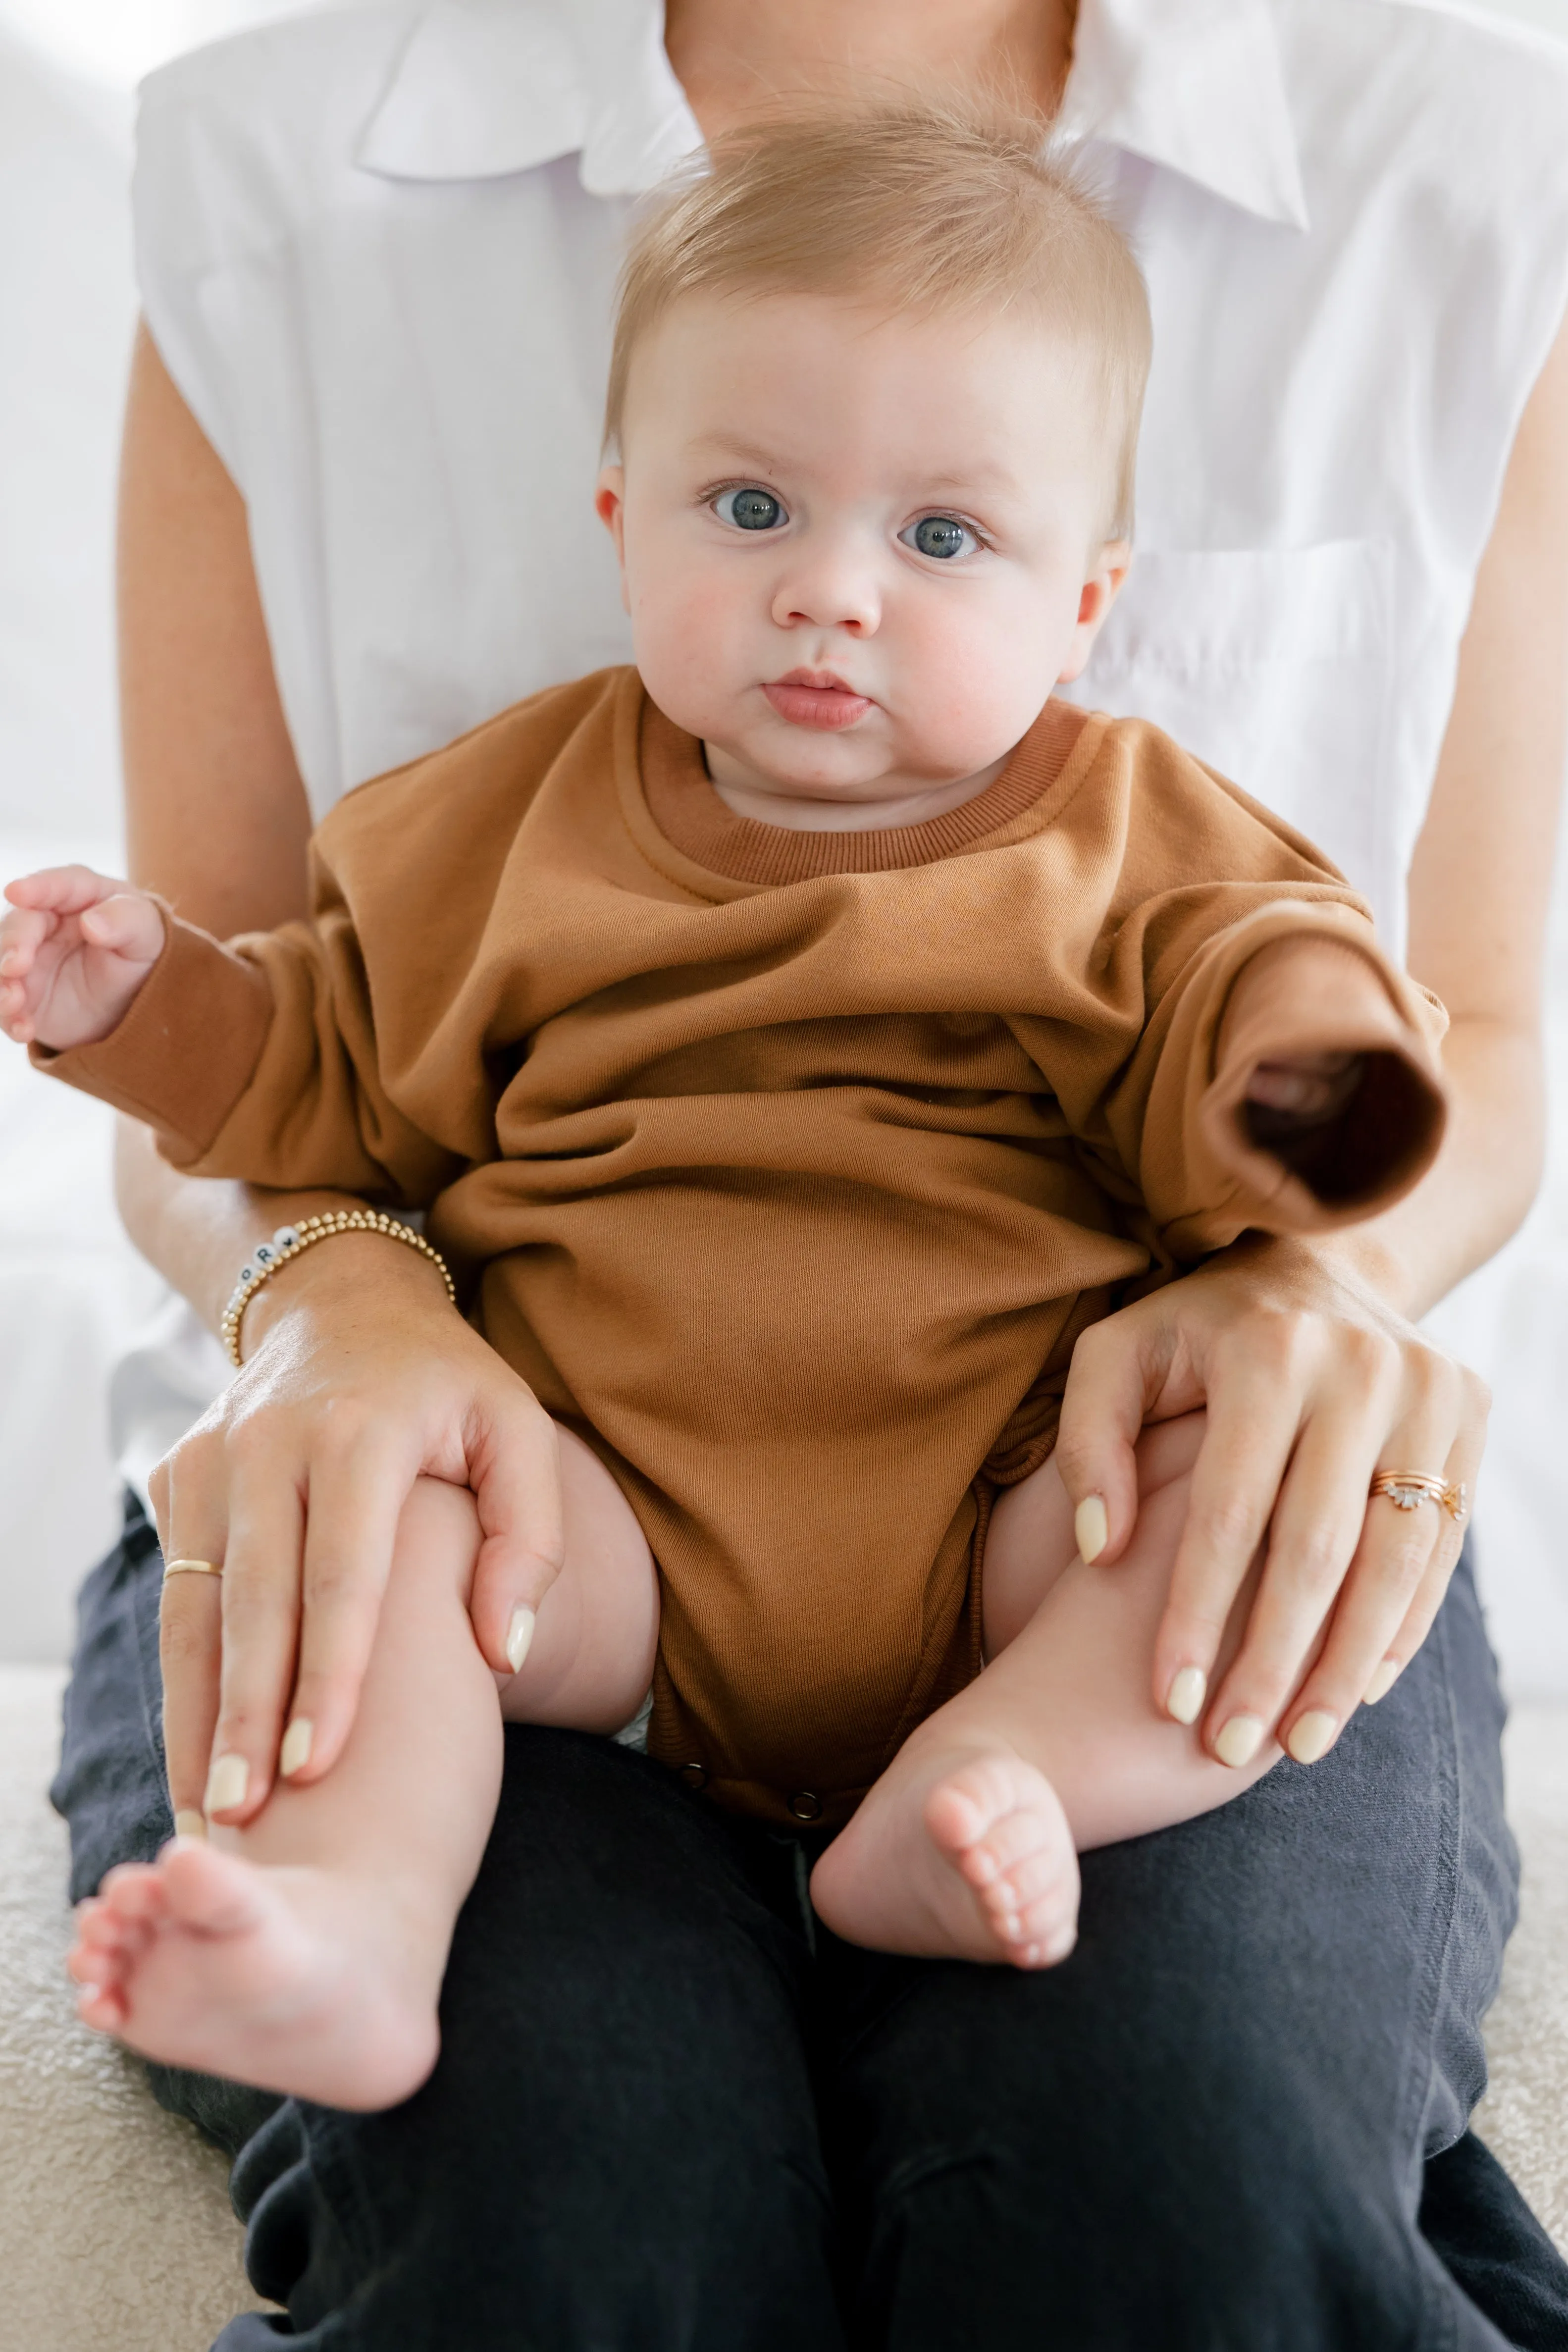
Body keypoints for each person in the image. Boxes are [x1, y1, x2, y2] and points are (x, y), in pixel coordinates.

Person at [49, 1, 1568, 2344]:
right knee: (532, 2020)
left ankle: (999, 1788)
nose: (829, 591)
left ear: (1085, 597)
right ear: (621, 517)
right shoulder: (511, 816)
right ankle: (352, 1927)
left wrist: (1317, 1194)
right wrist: (140, 995)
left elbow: (1317, 1013)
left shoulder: (1128, 828)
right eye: (748, 510)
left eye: (937, 536)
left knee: (1168, 2055)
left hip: (1010, 1508)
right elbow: (300, 1051)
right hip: (590, 1506)